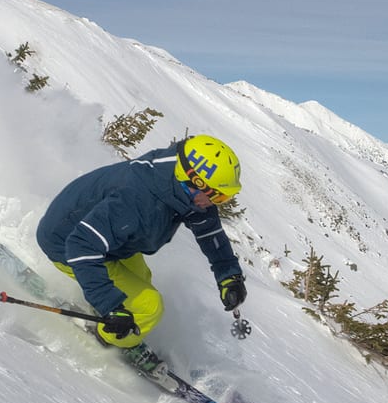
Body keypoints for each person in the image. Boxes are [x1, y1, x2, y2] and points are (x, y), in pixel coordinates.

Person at [36, 134, 248, 371]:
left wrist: (229, 275)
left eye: (224, 197)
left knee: (142, 281)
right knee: (149, 306)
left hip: (110, 241)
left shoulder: (184, 189)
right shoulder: (138, 199)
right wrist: (111, 307)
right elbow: (80, 246)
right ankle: (107, 340)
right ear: (193, 181)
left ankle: (116, 315)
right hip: (66, 242)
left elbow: (210, 233)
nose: (216, 203)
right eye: (217, 195)